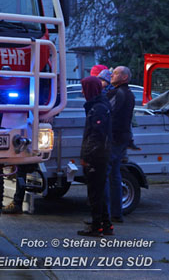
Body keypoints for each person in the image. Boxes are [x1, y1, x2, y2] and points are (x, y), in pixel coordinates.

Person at [77, 76, 113, 237]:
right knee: (99, 191)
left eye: (84, 88)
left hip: (96, 156)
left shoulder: (97, 108)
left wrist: (87, 156)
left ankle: (97, 226)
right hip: (101, 154)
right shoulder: (100, 105)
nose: (82, 92)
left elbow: (95, 135)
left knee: (94, 193)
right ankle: (105, 225)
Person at [104, 66, 135, 223]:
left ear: (124, 77)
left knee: (105, 173)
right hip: (122, 138)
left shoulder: (118, 93)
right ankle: (116, 213)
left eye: (115, 73)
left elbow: (109, 112)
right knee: (115, 175)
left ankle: (105, 215)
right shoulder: (129, 94)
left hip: (114, 138)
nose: (111, 75)